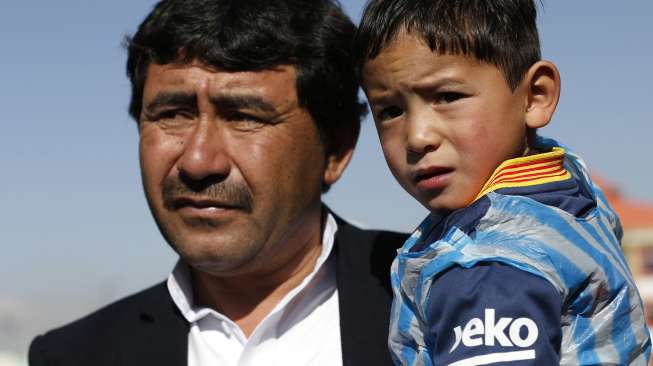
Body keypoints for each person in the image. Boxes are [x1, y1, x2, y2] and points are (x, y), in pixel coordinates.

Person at [28, 0, 407, 365]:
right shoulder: (73, 356)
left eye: (244, 117)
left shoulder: (444, 296)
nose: (197, 161)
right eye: (172, 115)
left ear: (336, 150)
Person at [354, 0, 651, 365]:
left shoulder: (484, 267)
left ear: (535, 96)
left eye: (447, 97)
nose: (417, 137)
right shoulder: (564, 184)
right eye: (390, 111)